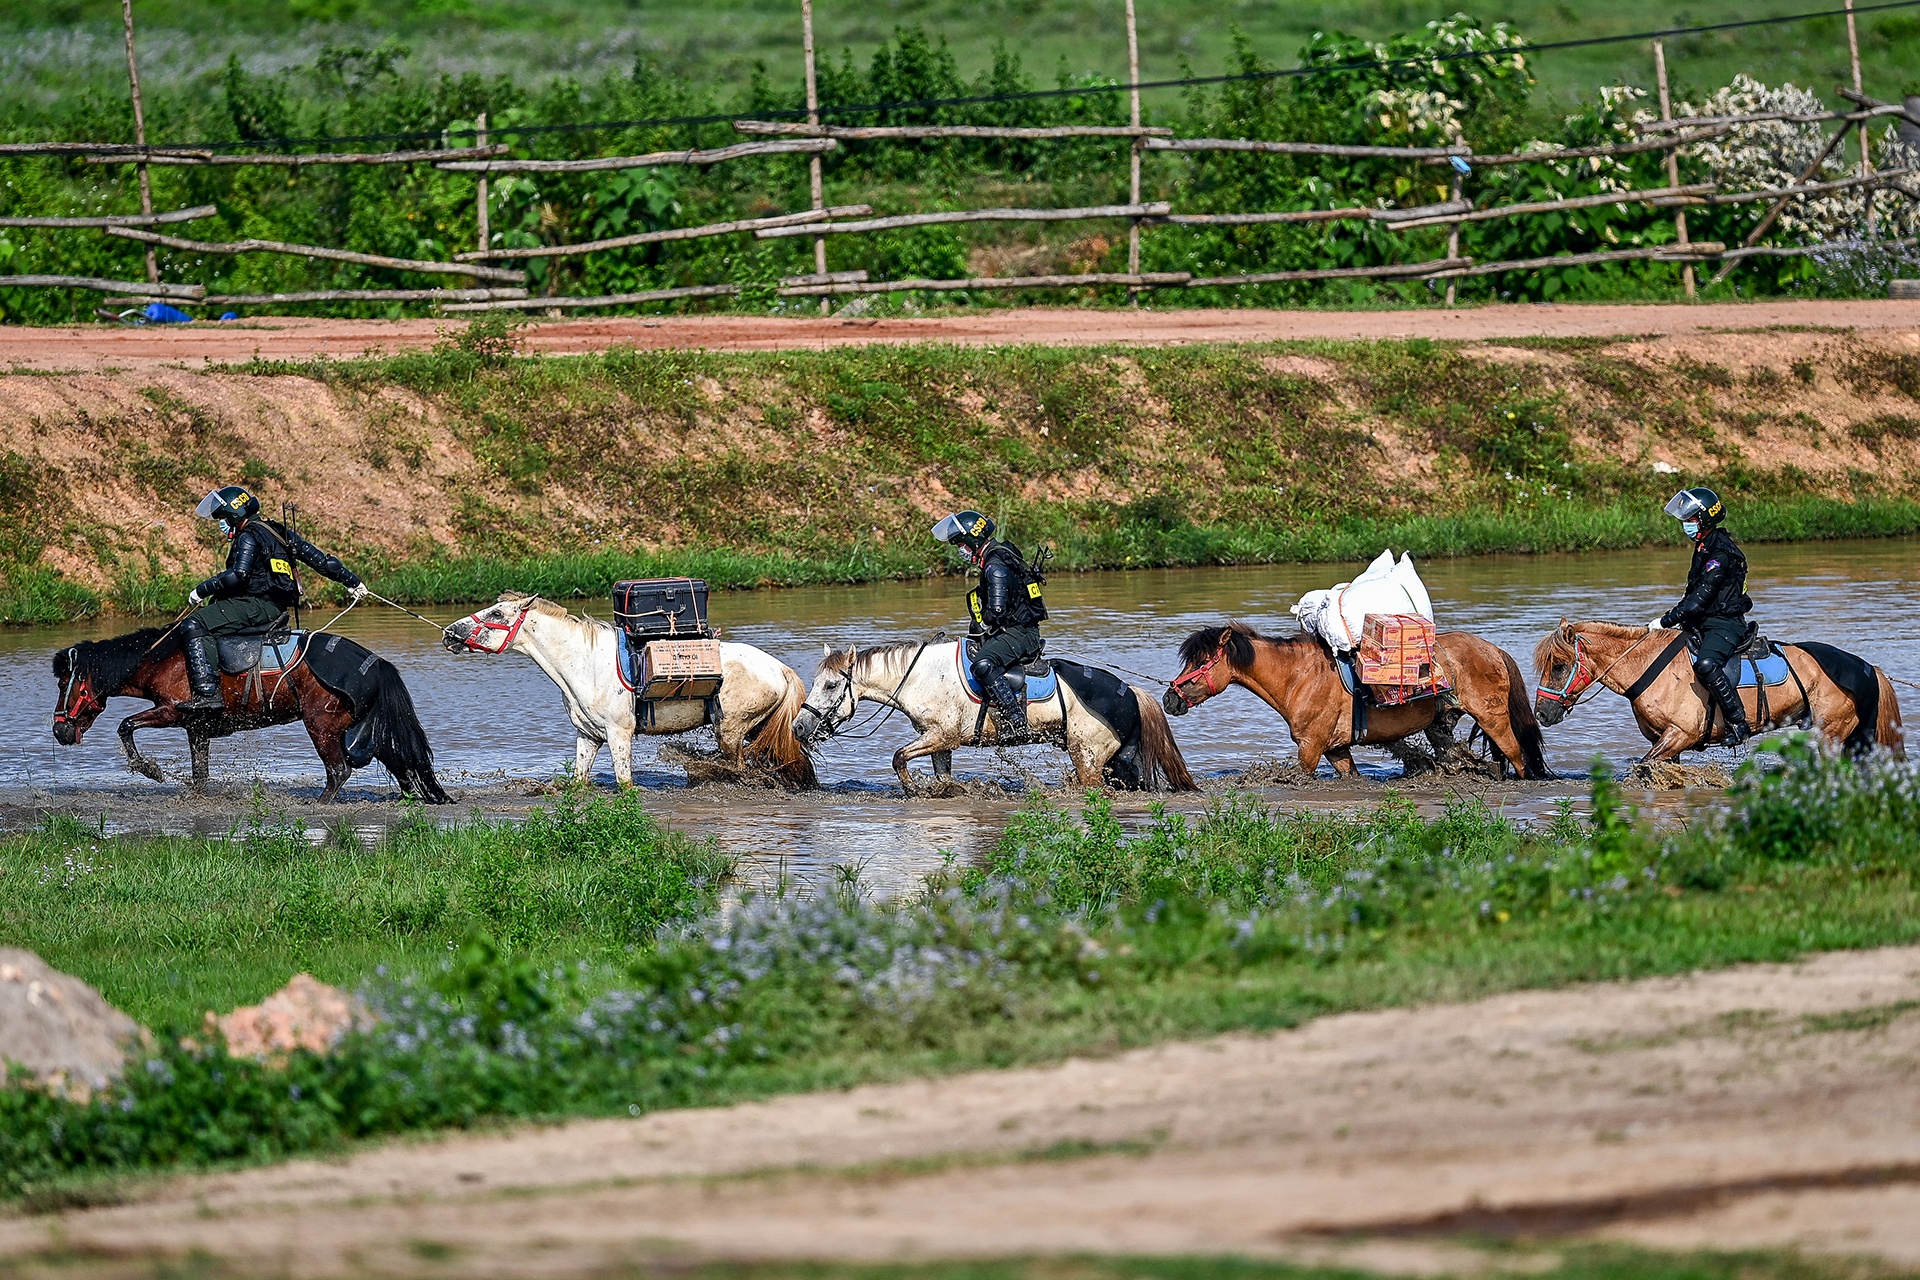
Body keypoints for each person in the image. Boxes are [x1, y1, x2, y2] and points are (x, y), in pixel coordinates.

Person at [175, 485, 367, 713]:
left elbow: (239, 575)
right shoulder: (276, 530)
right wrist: (353, 582)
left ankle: (207, 693)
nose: (222, 523)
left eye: (223, 518)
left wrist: (201, 590)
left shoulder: (247, 536)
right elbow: (323, 561)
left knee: (194, 624)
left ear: (234, 515)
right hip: (274, 607)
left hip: (254, 605)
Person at [932, 511, 1048, 744]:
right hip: (1015, 629)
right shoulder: (999, 555)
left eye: (962, 545)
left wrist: (982, 621)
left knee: (982, 664)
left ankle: (1016, 721)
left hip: (1020, 633)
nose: (960, 550)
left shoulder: (994, 567)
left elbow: (996, 612)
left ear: (973, 542)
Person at [1649, 486, 1753, 745]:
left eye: (1690, 520)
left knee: (1706, 664)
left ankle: (1738, 723)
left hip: (1726, 624)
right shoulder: (1703, 547)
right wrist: (1677, 621)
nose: (1686, 524)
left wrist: (1664, 621)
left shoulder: (1721, 553)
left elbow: (1699, 600)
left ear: (1705, 520)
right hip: (1703, 622)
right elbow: (1690, 595)